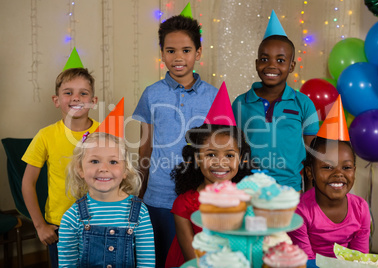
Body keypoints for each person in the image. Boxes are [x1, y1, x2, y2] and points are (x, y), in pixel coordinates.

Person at [132, 14, 217, 267]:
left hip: (199, 198)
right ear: (162, 53)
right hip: (158, 197)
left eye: (186, 50)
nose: (178, 57)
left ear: (198, 53)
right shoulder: (151, 94)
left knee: (196, 260)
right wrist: (140, 191)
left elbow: (219, 149)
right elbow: (144, 147)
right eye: (171, 50)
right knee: (159, 259)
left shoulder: (213, 95)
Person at [22, 61, 99, 267]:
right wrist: (40, 226)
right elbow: (28, 183)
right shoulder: (45, 136)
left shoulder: (106, 132)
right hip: (61, 224)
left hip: (101, 221)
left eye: (83, 93)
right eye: (68, 93)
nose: (76, 97)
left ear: (93, 101)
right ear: (56, 100)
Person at [232, 11, 319, 192]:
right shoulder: (240, 103)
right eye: (265, 59)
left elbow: (313, 155)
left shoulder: (304, 104)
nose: (271, 65)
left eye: (280, 60)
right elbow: (231, 150)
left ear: (291, 66)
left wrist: (310, 196)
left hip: (290, 191)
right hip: (248, 190)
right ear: (257, 64)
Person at [288, 96, 370, 261]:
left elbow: (359, 259)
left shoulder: (360, 209)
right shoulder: (300, 212)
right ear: (310, 172)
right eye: (327, 167)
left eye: (346, 167)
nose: (338, 173)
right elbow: (306, 261)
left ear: (354, 171)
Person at [58, 131, 155, 267]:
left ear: (125, 171)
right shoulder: (72, 217)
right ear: (80, 169)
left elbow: (147, 263)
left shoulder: (140, 212)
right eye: (95, 161)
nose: (103, 168)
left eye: (113, 161)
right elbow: (67, 264)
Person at [165, 123, 253, 267]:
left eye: (229, 155)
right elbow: (193, 259)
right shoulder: (184, 204)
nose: (220, 162)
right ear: (197, 158)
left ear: (241, 158)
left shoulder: (250, 198)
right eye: (211, 154)